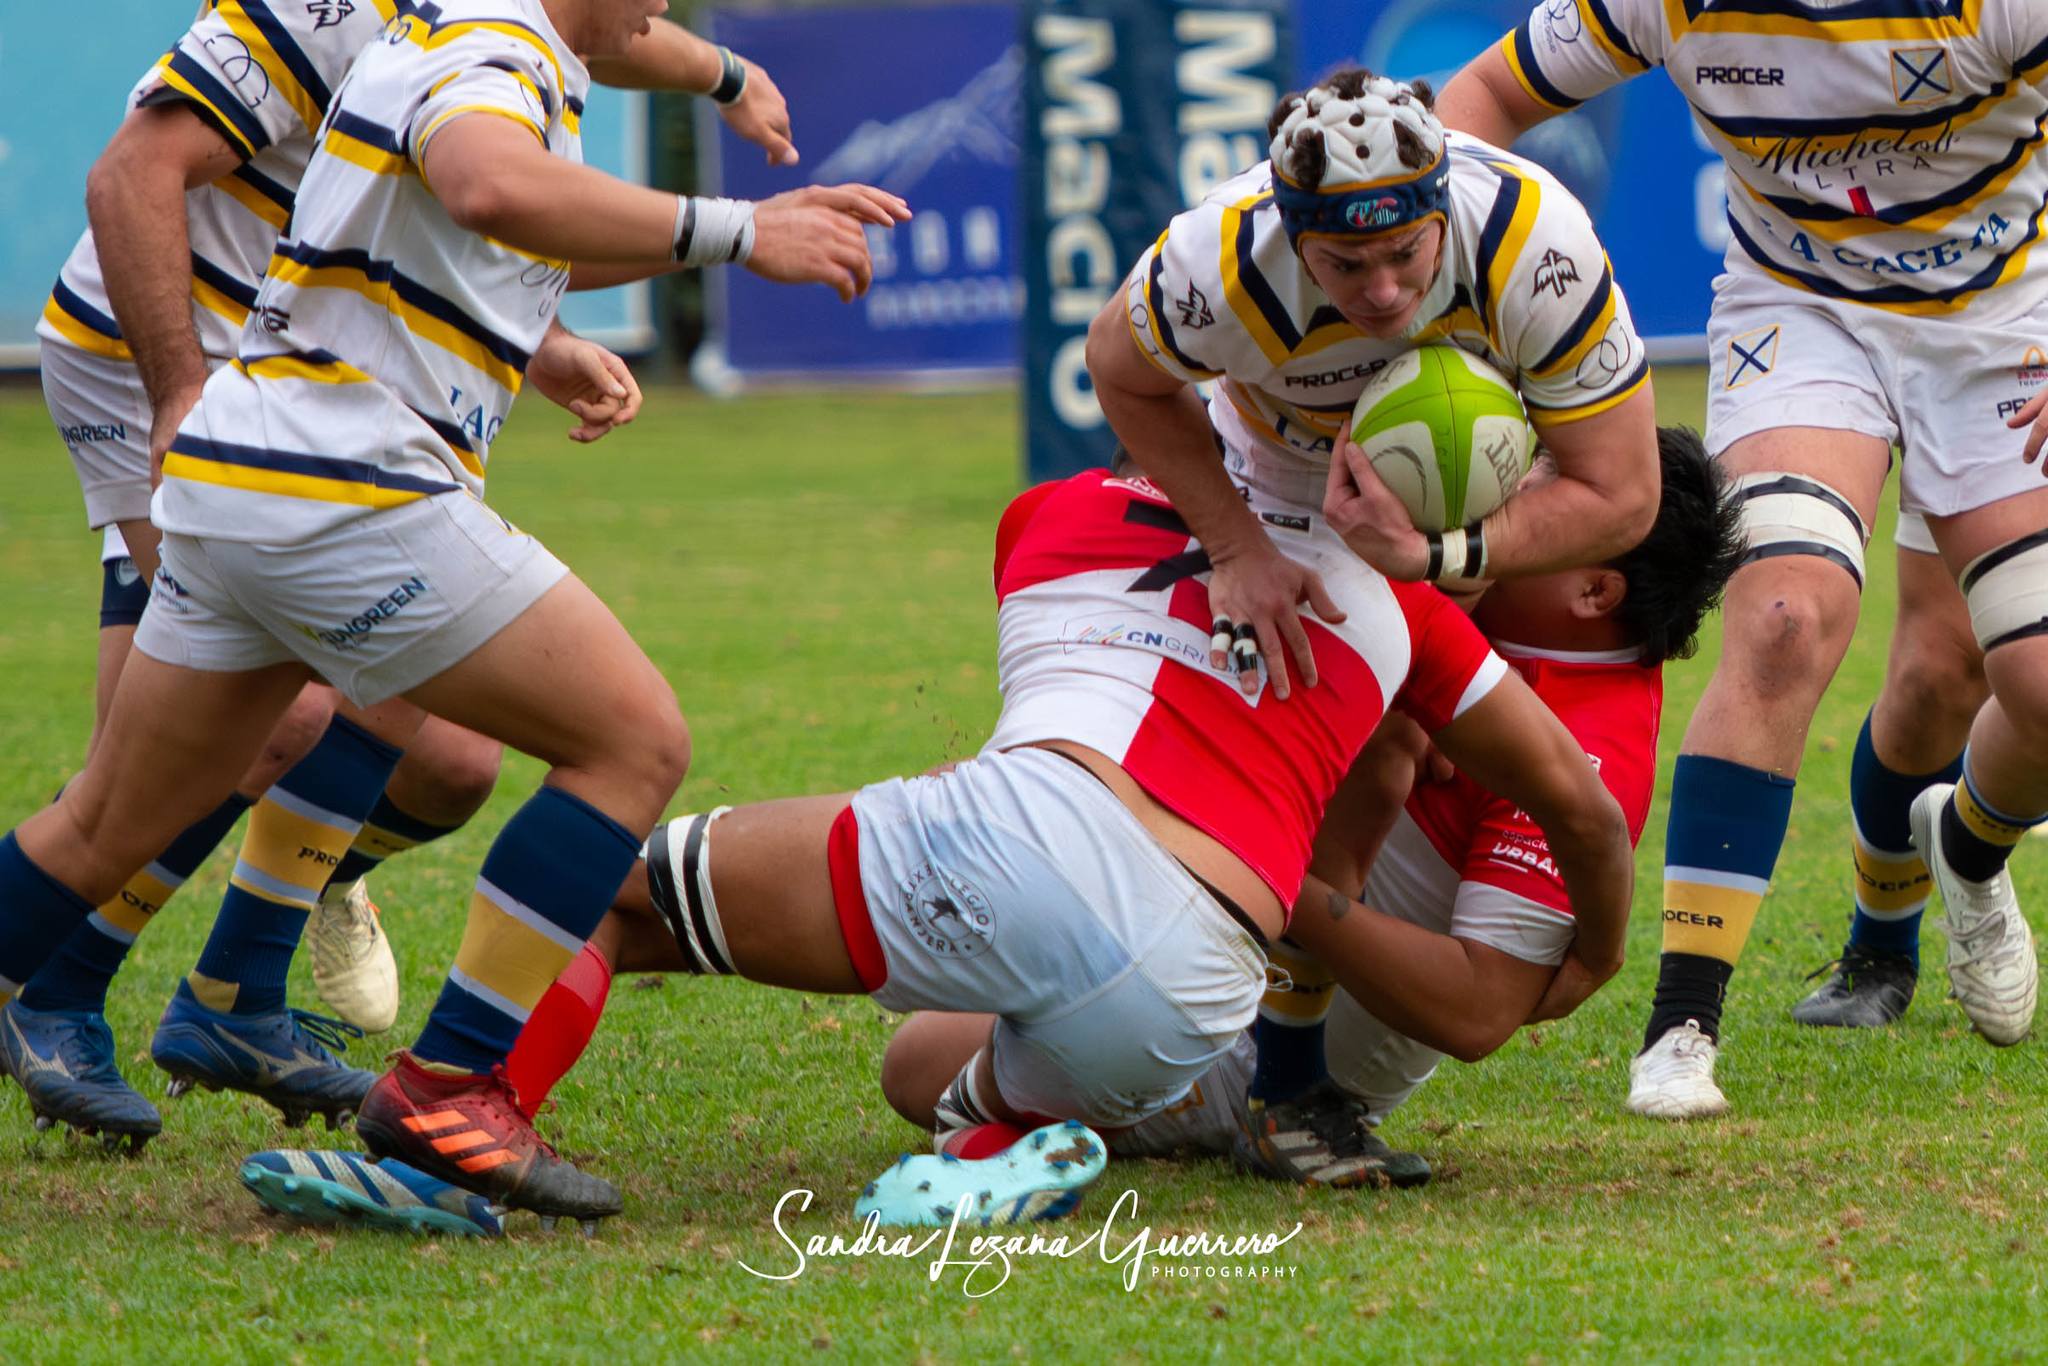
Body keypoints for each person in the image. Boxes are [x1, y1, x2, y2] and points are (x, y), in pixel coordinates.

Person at [0, 0, 905, 1210]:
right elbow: (486, 185)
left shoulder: (447, 33)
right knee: (633, 741)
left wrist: (669, 250)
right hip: (347, 488)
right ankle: (449, 1085)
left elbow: (498, 224)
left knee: (100, 826)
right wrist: (737, 229)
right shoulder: (501, 48)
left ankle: (236, 988)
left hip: (241, 480)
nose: (660, 9)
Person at [1438, 0, 2047, 1119]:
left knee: (2018, 685)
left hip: (2004, 319)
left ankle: (1964, 847)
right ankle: (1681, 1027)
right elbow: (1480, 98)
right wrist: (1463, 292)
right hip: (1803, 314)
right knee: (1782, 617)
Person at [876, 426, 1744, 1186]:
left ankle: (1284, 1092)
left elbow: (1477, 1011)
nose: (1502, 504)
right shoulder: (1490, 606)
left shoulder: (1594, 741)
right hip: (1211, 896)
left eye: (1546, 504)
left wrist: (1259, 878)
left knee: (919, 1071)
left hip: (1247, 1038)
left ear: (1594, 593)